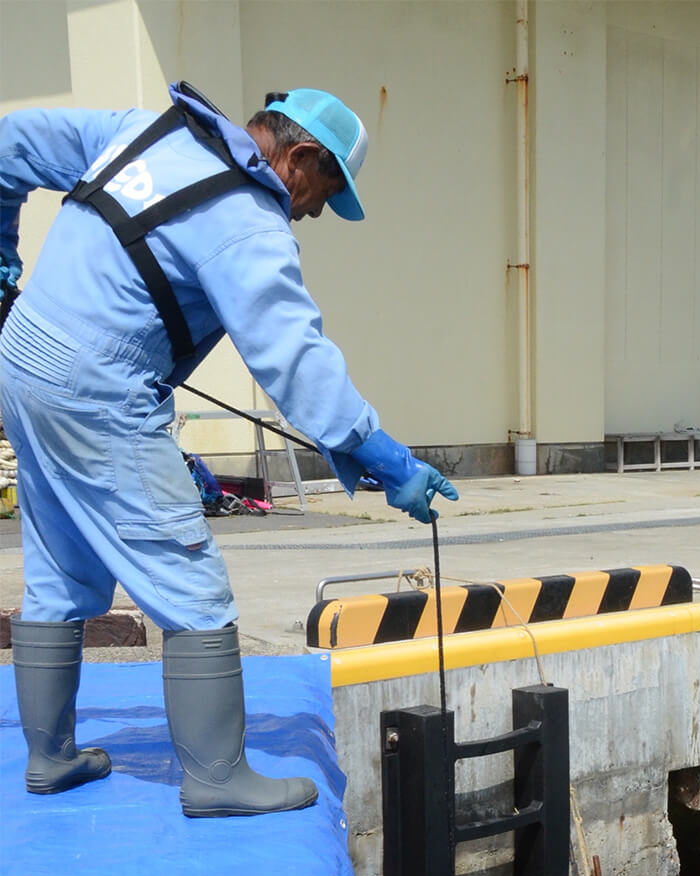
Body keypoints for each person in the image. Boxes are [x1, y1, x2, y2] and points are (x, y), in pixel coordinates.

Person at [0, 81, 458, 817]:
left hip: (23, 360)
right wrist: (386, 454)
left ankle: (50, 758)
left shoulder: (141, 133)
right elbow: (293, 358)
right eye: (322, 192)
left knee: (58, 568)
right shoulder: (248, 223)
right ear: (300, 155)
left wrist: (0, 266)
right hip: (99, 387)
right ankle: (216, 778)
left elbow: (7, 149)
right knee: (192, 583)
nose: (312, 211)